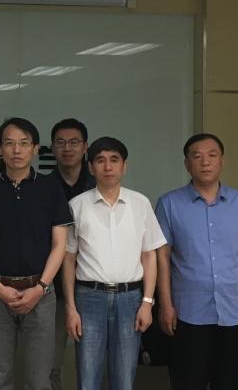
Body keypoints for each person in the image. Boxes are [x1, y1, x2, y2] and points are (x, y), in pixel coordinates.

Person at [0, 117, 73, 390]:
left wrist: (40, 287)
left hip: (41, 293)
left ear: (35, 149)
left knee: (39, 377)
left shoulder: (51, 188)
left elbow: (59, 245)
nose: (16, 150)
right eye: (9, 143)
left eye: (24, 143)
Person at [155, 133, 238, 390]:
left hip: (233, 311)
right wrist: (165, 305)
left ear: (222, 161)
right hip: (187, 312)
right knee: (187, 383)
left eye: (212, 155)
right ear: (187, 164)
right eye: (197, 156)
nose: (205, 162)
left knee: (229, 382)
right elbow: (162, 257)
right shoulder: (169, 203)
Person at [64, 137, 165, 390]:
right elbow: (68, 259)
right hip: (89, 298)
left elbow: (149, 255)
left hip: (130, 298)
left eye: (114, 160)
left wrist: (147, 302)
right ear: (90, 167)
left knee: (124, 378)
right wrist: (71, 308)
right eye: (100, 161)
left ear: (124, 166)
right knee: (88, 377)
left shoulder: (140, 203)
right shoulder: (77, 205)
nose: (108, 167)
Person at [47, 118, 96, 389]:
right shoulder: (41, 186)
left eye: (74, 142)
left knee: (92, 363)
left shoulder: (100, 184)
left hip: (94, 286)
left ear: (85, 146)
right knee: (50, 362)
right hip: (52, 287)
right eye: (61, 142)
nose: (68, 148)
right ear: (52, 147)